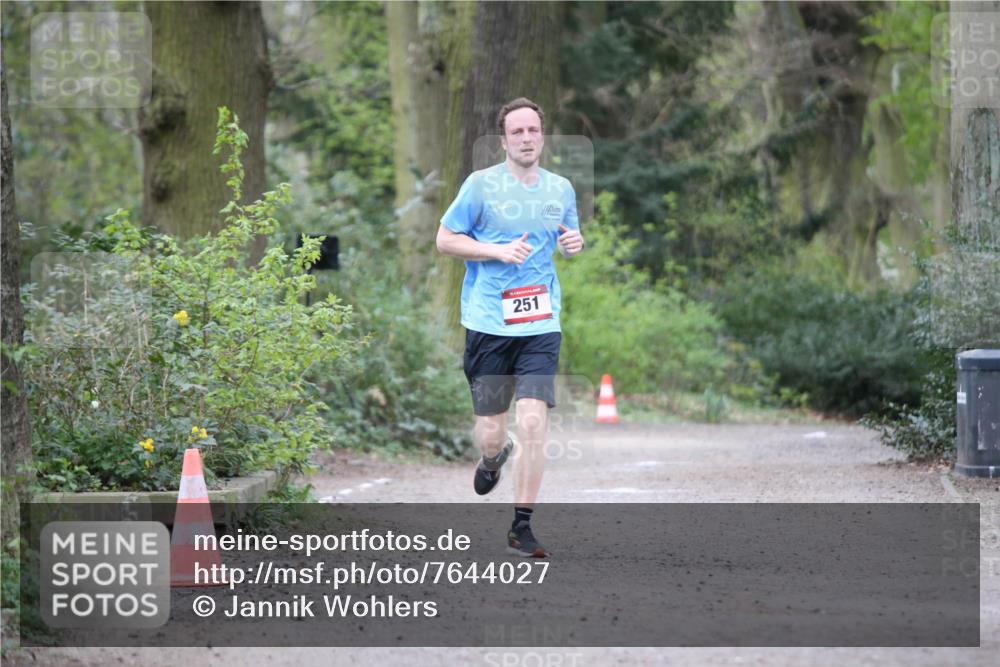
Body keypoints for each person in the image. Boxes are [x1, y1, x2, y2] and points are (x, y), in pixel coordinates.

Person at [436, 97, 584, 557]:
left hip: (540, 322)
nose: (526, 138)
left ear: (543, 137)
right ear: (503, 141)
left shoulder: (560, 189)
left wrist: (573, 245)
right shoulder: (481, 186)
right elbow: (445, 239)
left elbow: (567, 240)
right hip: (488, 322)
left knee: (534, 421)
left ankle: (522, 526)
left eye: (532, 130)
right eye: (516, 132)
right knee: (491, 431)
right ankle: (492, 457)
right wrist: (496, 251)